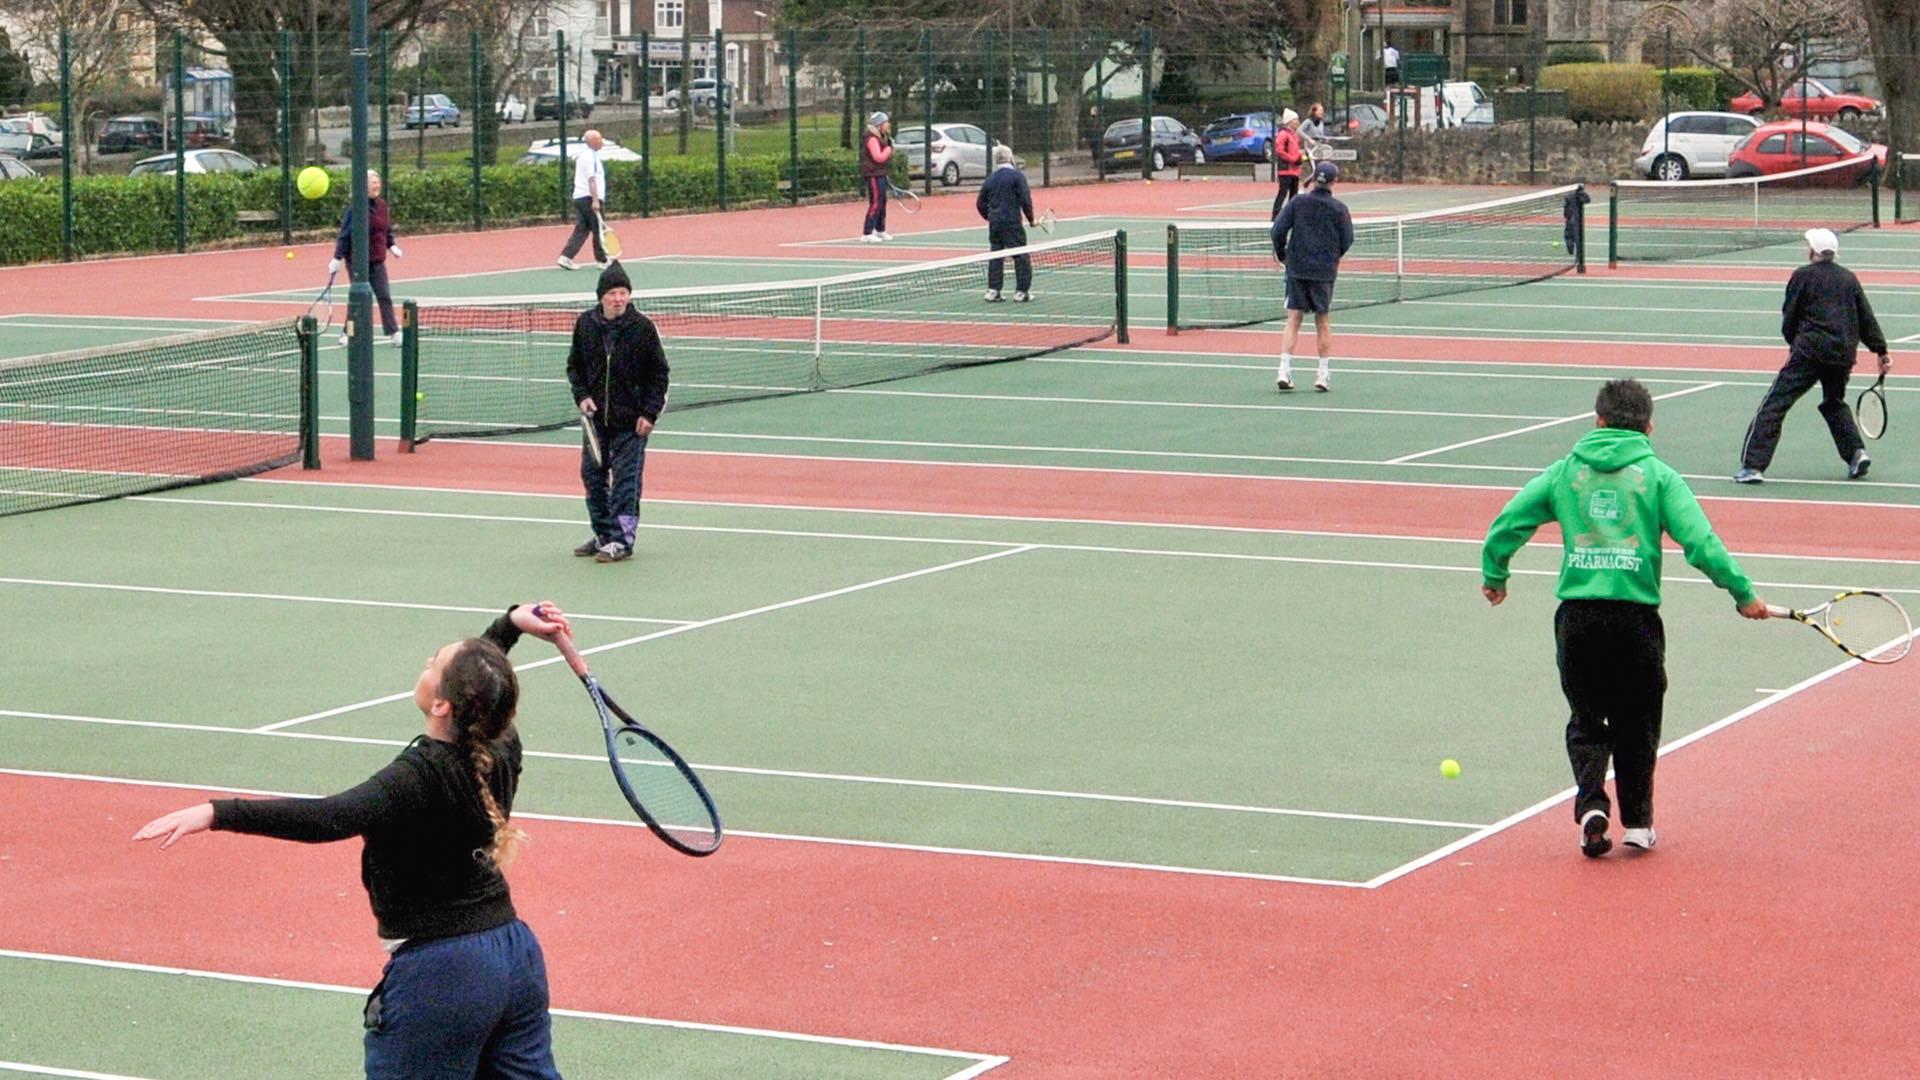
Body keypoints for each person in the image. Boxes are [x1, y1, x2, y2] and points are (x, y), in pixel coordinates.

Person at [134, 601, 576, 1078]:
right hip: (514, 958)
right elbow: (485, 674)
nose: (426, 664)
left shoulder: (418, 777)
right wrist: (509, 625)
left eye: (434, 663)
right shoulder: (501, 742)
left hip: (445, 975)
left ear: (443, 704)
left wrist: (218, 812)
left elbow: (331, 817)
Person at [1482, 379, 1770, 858]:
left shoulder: (1564, 474)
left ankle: (1593, 804)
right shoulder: (1658, 476)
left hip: (1578, 619)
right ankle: (1638, 823)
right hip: (1635, 622)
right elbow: (1701, 543)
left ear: (1597, 421)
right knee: (1639, 722)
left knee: (1586, 718)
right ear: (1649, 427)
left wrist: (1496, 571)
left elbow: (1511, 519)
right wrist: (1741, 593)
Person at [1735, 228, 1891, 483]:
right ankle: (1856, 453)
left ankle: (1752, 466)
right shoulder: (1849, 279)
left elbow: (1790, 315)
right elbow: (1866, 318)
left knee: (1774, 405)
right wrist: (1881, 351)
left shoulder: (1802, 276)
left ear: (1812, 251)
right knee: (1834, 402)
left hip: (1809, 352)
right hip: (1842, 354)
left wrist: (1795, 343)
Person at [567, 262, 670, 563]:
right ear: (602, 297)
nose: (618, 298)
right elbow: (575, 366)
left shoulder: (643, 329)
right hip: (597, 422)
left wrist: (649, 414)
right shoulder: (585, 325)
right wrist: (582, 396)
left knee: (626, 483)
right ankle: (603, 535)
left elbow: (659, 375)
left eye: (623, 292)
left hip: (631, 424)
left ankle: (622, 541)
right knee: (593, 478)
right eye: (612, 292)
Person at [1270, 161, 1353, 392]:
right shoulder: (1339, 209)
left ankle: (1283, 370)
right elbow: (1347, 240)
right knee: (1322, 320)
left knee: (1293, 319)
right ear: (1334, 182)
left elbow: (1277, 230)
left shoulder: (1298, 202)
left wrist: (1283, 254)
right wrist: (1331, 257)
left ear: (1315, 178)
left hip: (1297, 268)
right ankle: (1323, 375)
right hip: (1323, 272)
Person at [329, 169, 402, 347]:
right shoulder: (355, 208)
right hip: (357, 261)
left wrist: (392, 245)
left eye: (378, 181)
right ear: (363, 185)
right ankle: (347, 333)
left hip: (377, 260)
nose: (377, 184)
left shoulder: (383, 206)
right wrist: (336, 259)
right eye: (372, 182)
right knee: (360, 298)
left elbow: (386, 229)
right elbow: (345, 235)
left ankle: (393, 332)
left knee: (384, 295)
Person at [977, 145, 1037, 303]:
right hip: (1012, 223)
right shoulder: (1017, 176)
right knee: (1021, 256)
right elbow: (1025, 200)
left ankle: (993, 290)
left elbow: (980, 203)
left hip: (995, 224)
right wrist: (1031, 219)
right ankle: (1022, 292)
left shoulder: (990, 178)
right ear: (1010, 158)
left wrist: (990, 217)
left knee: (996, 256)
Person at [556, 130, 608, 270]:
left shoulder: (586, 156)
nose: (601, 142)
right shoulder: (590, 157)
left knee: (582, 229)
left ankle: (566, 257)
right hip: (588, 197)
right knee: (599, 229)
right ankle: (602, 260)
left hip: (580, 198)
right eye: (599, 139)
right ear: (592, 141)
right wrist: (595, 200)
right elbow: (591, 179)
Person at [859, 111, 894, 243]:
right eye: (886, 122)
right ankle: (867, 233)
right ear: (879, 124)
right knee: (876, 202)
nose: (888, 124)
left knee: (882, 202)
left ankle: (880, 230)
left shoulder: (881, 137)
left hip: (880, 174)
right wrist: (888, 150)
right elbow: (878, 157)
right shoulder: (872, 138)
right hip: (873, 175)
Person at [1270, 109, 1303, 219]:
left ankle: (1291, 215)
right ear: (1290, 121)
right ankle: (1275, 215)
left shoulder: (1294, 135)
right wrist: (1293, 159)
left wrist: (1300, 158)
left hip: (1295, 170)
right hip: (1285, 170)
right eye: (1296, 120)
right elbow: (1280, 150)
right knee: (1282, 193)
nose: (1298, 122)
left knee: (1294, 195)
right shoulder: (1283, 134)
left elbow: (1295, 150)